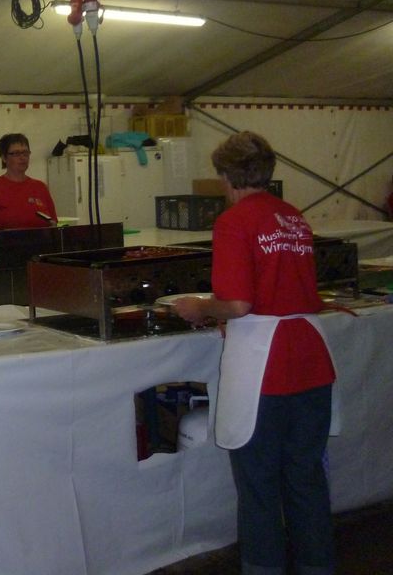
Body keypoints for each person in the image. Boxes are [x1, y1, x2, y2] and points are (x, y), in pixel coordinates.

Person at [174, 132, 336, 575]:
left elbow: (239, 303)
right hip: (311, 358)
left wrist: (200, 308)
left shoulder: (234, 221)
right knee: (305, 478)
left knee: (259, 485)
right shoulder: (293, 216)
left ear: (227, 176)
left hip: (266, 367)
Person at [0, 133, 57, 240]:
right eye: (16, 153)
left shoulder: (40, 187)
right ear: (4, 158)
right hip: (8, 249)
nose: (22, 157)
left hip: (41, 248)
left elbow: (53, 223)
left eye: (25, 153)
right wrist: (7, 237)